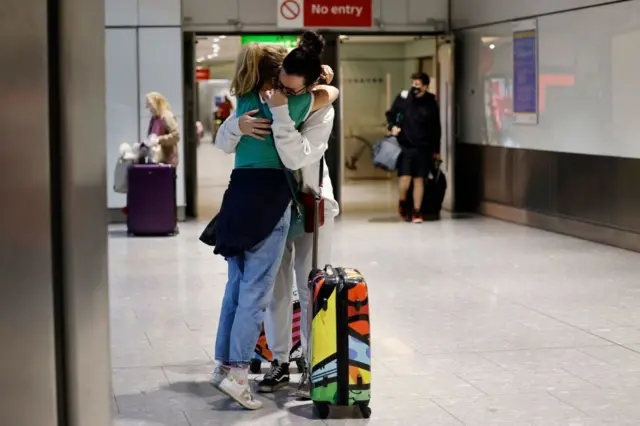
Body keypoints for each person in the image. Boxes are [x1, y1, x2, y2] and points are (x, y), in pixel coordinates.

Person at [210, 33, 339, 410]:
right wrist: (314, 88)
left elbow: (320, 109)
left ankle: (229, 366)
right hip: (271, 199)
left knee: (243, 286)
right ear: (274, 76)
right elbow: (327, 95)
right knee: (261, 290)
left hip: (246, 195)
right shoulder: (293, 103)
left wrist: (238, 124)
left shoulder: (247, 101)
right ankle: (243, 370)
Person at [386, 72, 441, 223]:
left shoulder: (431, 102)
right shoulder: (403, 98)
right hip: (406, 145)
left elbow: (436, 127)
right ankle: (403, 201)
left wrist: (436, 151)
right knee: (405, 179)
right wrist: (393, 126)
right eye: (413, 83)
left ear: (425, 86)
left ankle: (417, 211)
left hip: (424, 147)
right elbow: (391, 115)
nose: (415, 87)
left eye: (418, 84)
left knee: (419, 180)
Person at [144, 92, 180, 166]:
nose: (147, 107)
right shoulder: (154, 118)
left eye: (149, 104)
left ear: (157, 103)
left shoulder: (167, 116)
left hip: (167, 161)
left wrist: (159, 139)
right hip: (155, 159)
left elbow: (176, 136)